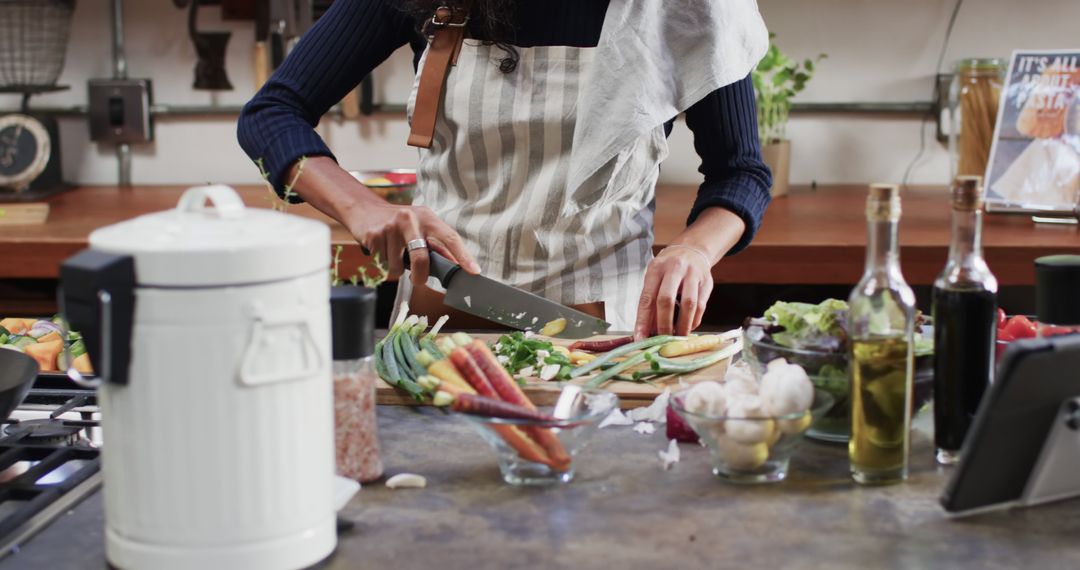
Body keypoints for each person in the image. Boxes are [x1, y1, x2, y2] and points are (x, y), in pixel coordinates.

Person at [238, 0, 772, 338]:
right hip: (441, 323)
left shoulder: (688, 8)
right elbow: (272, 114)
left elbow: (740, 173)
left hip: (603, 336)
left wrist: (694, 250)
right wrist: (362, 207)